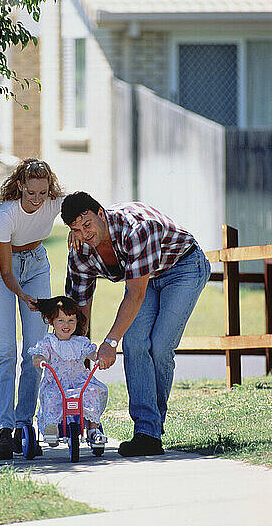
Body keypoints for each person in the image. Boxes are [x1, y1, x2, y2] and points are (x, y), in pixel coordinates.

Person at [61, 192, 211, 457]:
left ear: (100, 212)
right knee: (135, 343)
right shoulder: (80, 250)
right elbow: (79, 305)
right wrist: (80, 349)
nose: (84, 234)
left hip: (184, 266)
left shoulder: (135, 229)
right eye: (77, 229)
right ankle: (146, 434)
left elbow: (135, 294)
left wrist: (109, 343)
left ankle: (152, 431)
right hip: (148, 276)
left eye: (87, 224)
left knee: (161, 346)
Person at [0, 158, 65, 460]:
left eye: (43, 193)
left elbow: (82, 209)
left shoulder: (54, 203)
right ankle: (5, 429)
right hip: (1, 271)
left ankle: (23, 428)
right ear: (19, 186)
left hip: (37, 264)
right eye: (31, 193)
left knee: (34, 352)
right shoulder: (6, 213)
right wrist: (25, 295)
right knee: (4, 351)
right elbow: (6, 273)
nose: (37, 200)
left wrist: (76, 232)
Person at [29, 296, 108, 445]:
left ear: (77, 321)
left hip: (79, 383)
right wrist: (39, 359)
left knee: (91, 391)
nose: (66, 325)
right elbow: (39, 354)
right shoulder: (49, 342)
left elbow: (90, 353)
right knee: (52, 395)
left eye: (71, 320)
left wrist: (97, 358)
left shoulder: (80, 342)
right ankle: (51, 428)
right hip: (57, 383)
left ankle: (93, 429)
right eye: (61, 320)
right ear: (52, 321)